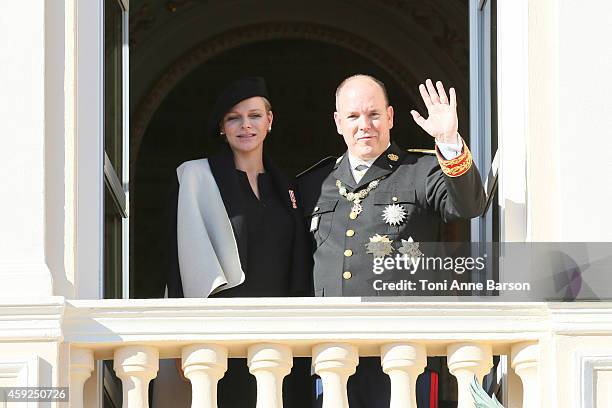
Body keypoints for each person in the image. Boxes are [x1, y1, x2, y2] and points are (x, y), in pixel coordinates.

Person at [297, 75, 486, 407]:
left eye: (373, 114)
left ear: (390, 117)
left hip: (404, 352)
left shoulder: (421, 171)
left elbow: (469, 204)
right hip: (332, 353)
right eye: (353, 117)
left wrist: (448, 139)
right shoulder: (315, 183)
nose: (364, 125)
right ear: (338, 123)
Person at [158, 77, 312, 407]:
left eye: (255, 115)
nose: (246, 125)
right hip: (223, 333)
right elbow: (177, 264)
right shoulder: (196, 177)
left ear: (269, 121)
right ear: (222, 128)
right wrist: (181, 337)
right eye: (234, 118)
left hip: (285, 334)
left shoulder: (288, 189)